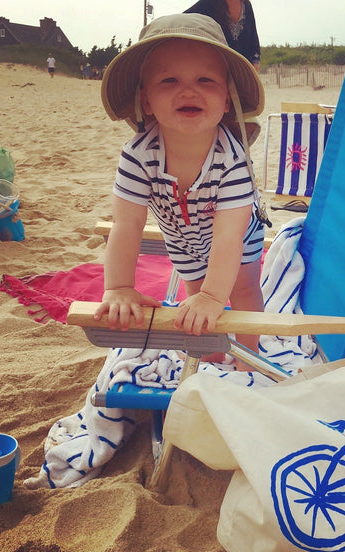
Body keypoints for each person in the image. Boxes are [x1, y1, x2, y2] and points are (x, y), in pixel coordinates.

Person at [97, 13, 266, 367]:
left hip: (235, 237)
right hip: (181, 239)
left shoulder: (232, 160)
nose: (188, 90)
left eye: (205, 80)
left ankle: (250, 354)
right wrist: (119, 287)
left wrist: (213, 296)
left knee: (243, 291)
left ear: (225, 99)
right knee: (194, 301)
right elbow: (126, 226)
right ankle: (211, 356)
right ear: (145, 101)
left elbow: (227, 240)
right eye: (169, 80)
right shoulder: (138, 156)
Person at [184, 0, 261, 70]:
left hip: (243, 73)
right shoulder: (207, 4)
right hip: (218, 72)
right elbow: (184, 20)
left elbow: (253, 38)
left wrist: (255, 63)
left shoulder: (246, 5)